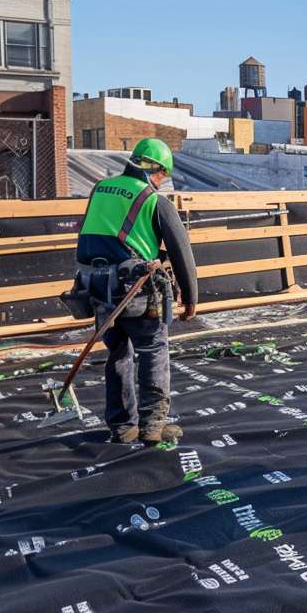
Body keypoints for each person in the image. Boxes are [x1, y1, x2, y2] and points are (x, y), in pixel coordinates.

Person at [75, 138, 199, 445]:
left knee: (118, 354)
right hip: (138, 292)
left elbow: (105, 237)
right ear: (153, 169)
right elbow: (182, 253)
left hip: (99, 289)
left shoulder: (100, 189)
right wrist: (191, 297)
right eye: (162, 175)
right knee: (153, 350)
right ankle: (153, 424)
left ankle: (121, 426)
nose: (161, 182)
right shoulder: (154, 200)